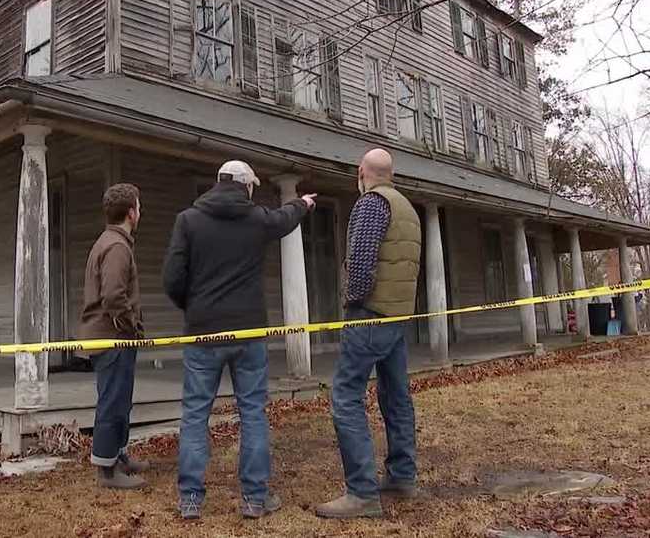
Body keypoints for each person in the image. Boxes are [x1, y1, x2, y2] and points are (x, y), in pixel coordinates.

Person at [163, 160, 316, 520]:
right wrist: (304, 204)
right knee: (252, 413)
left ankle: (190, 500)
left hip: (203, 332)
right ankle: (254, 498)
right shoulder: (257, 219)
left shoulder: (188, 220)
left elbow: (172, 277)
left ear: (217, 183)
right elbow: (285, 218)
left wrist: (195, 307)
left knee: (196, 413)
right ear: (246, 186)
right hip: (249, 332)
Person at [316, 148, 421, 520]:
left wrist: (350, 300)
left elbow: (361, 265)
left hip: (370, 317)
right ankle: (403, 476)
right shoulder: (407, 208)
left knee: (346, 396)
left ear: (361, 172)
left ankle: (361, 492)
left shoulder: (371, 204)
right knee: (396, 396)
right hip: (397, 316)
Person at [78, 183, 149, 489]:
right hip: (112, 336)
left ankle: (119, 455)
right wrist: (131, 326)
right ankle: (106, 471)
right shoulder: (117, 247)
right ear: (132, 212)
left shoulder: (112, 241)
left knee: (121, 400)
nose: (140, 211)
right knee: (112, 401)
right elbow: (113, 296)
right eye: (139, 206)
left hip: (114, 335)